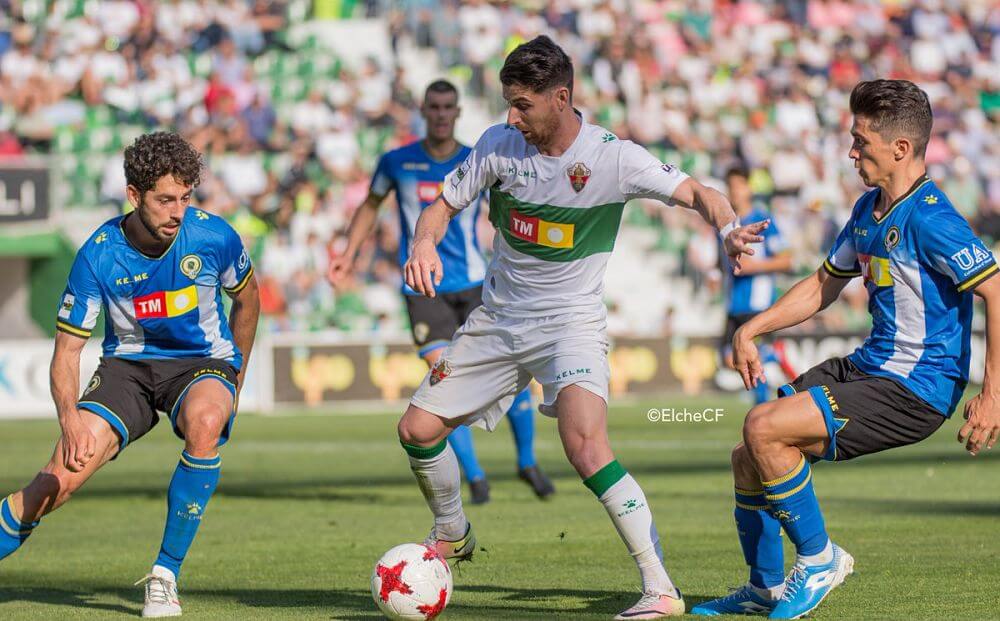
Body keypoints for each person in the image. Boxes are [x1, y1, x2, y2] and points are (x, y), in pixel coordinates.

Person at [397, 36, 764, 620]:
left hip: (570, 323)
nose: (511, 117)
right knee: (416, 430)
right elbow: (441, 205)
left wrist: (725, 229)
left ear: (561, 97)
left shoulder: (613, 158)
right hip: (498, 319)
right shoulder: (498, 145)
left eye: (523, 105)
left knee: (586, 446)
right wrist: (423, 242)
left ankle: (660, 589)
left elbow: (698, 191)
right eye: (508, 104)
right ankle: (452, 529)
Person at [692, 79, 1000, 619]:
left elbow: (996, 289)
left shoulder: (931, 218)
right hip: (869, 367)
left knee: (763, 428)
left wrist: (993, 394)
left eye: (861, 141)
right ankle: (764, 587)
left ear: (900, 149)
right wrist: (752, 328)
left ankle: (819, 559)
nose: (852, 152)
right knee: (750, 457)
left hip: (914, 387)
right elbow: (823, 284)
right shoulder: (867, 210)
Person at [0, 132, 260, 618]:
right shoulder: (98, 253)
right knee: (58, 481)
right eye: (165, 200)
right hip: (129, 368)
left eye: (185, 198)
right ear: (135, 195)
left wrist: (235, 376)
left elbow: (248, 299)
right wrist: (69, 420)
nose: (177, 212)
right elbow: (67, 351)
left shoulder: (214, 236)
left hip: (201, 362)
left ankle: (164, 576)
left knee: (205, 423)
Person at [328, 79, 554, 505]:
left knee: (515, 376)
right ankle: (476, 477)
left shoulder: (476, 158)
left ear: (458, 111)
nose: (441, 113)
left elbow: (513, 206)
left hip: (475, 284)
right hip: (423, 288)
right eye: (433, 106)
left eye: (448, 106)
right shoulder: (397, 161)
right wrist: (349, 252)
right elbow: (371, 205)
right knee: (445, 378)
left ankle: (526, 462)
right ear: (423, 110)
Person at [720, 166, 795, 405]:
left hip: (758, 303)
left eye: (739, 186)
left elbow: (786, 260)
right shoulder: (726, 226)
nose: (735, 192)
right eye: (730, 187)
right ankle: (776, 354)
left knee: (754, 358)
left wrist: (754, 267)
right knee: (728, 359)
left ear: (749, 188)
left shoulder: (763, 221)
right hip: (734, 304)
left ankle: (761, 409)